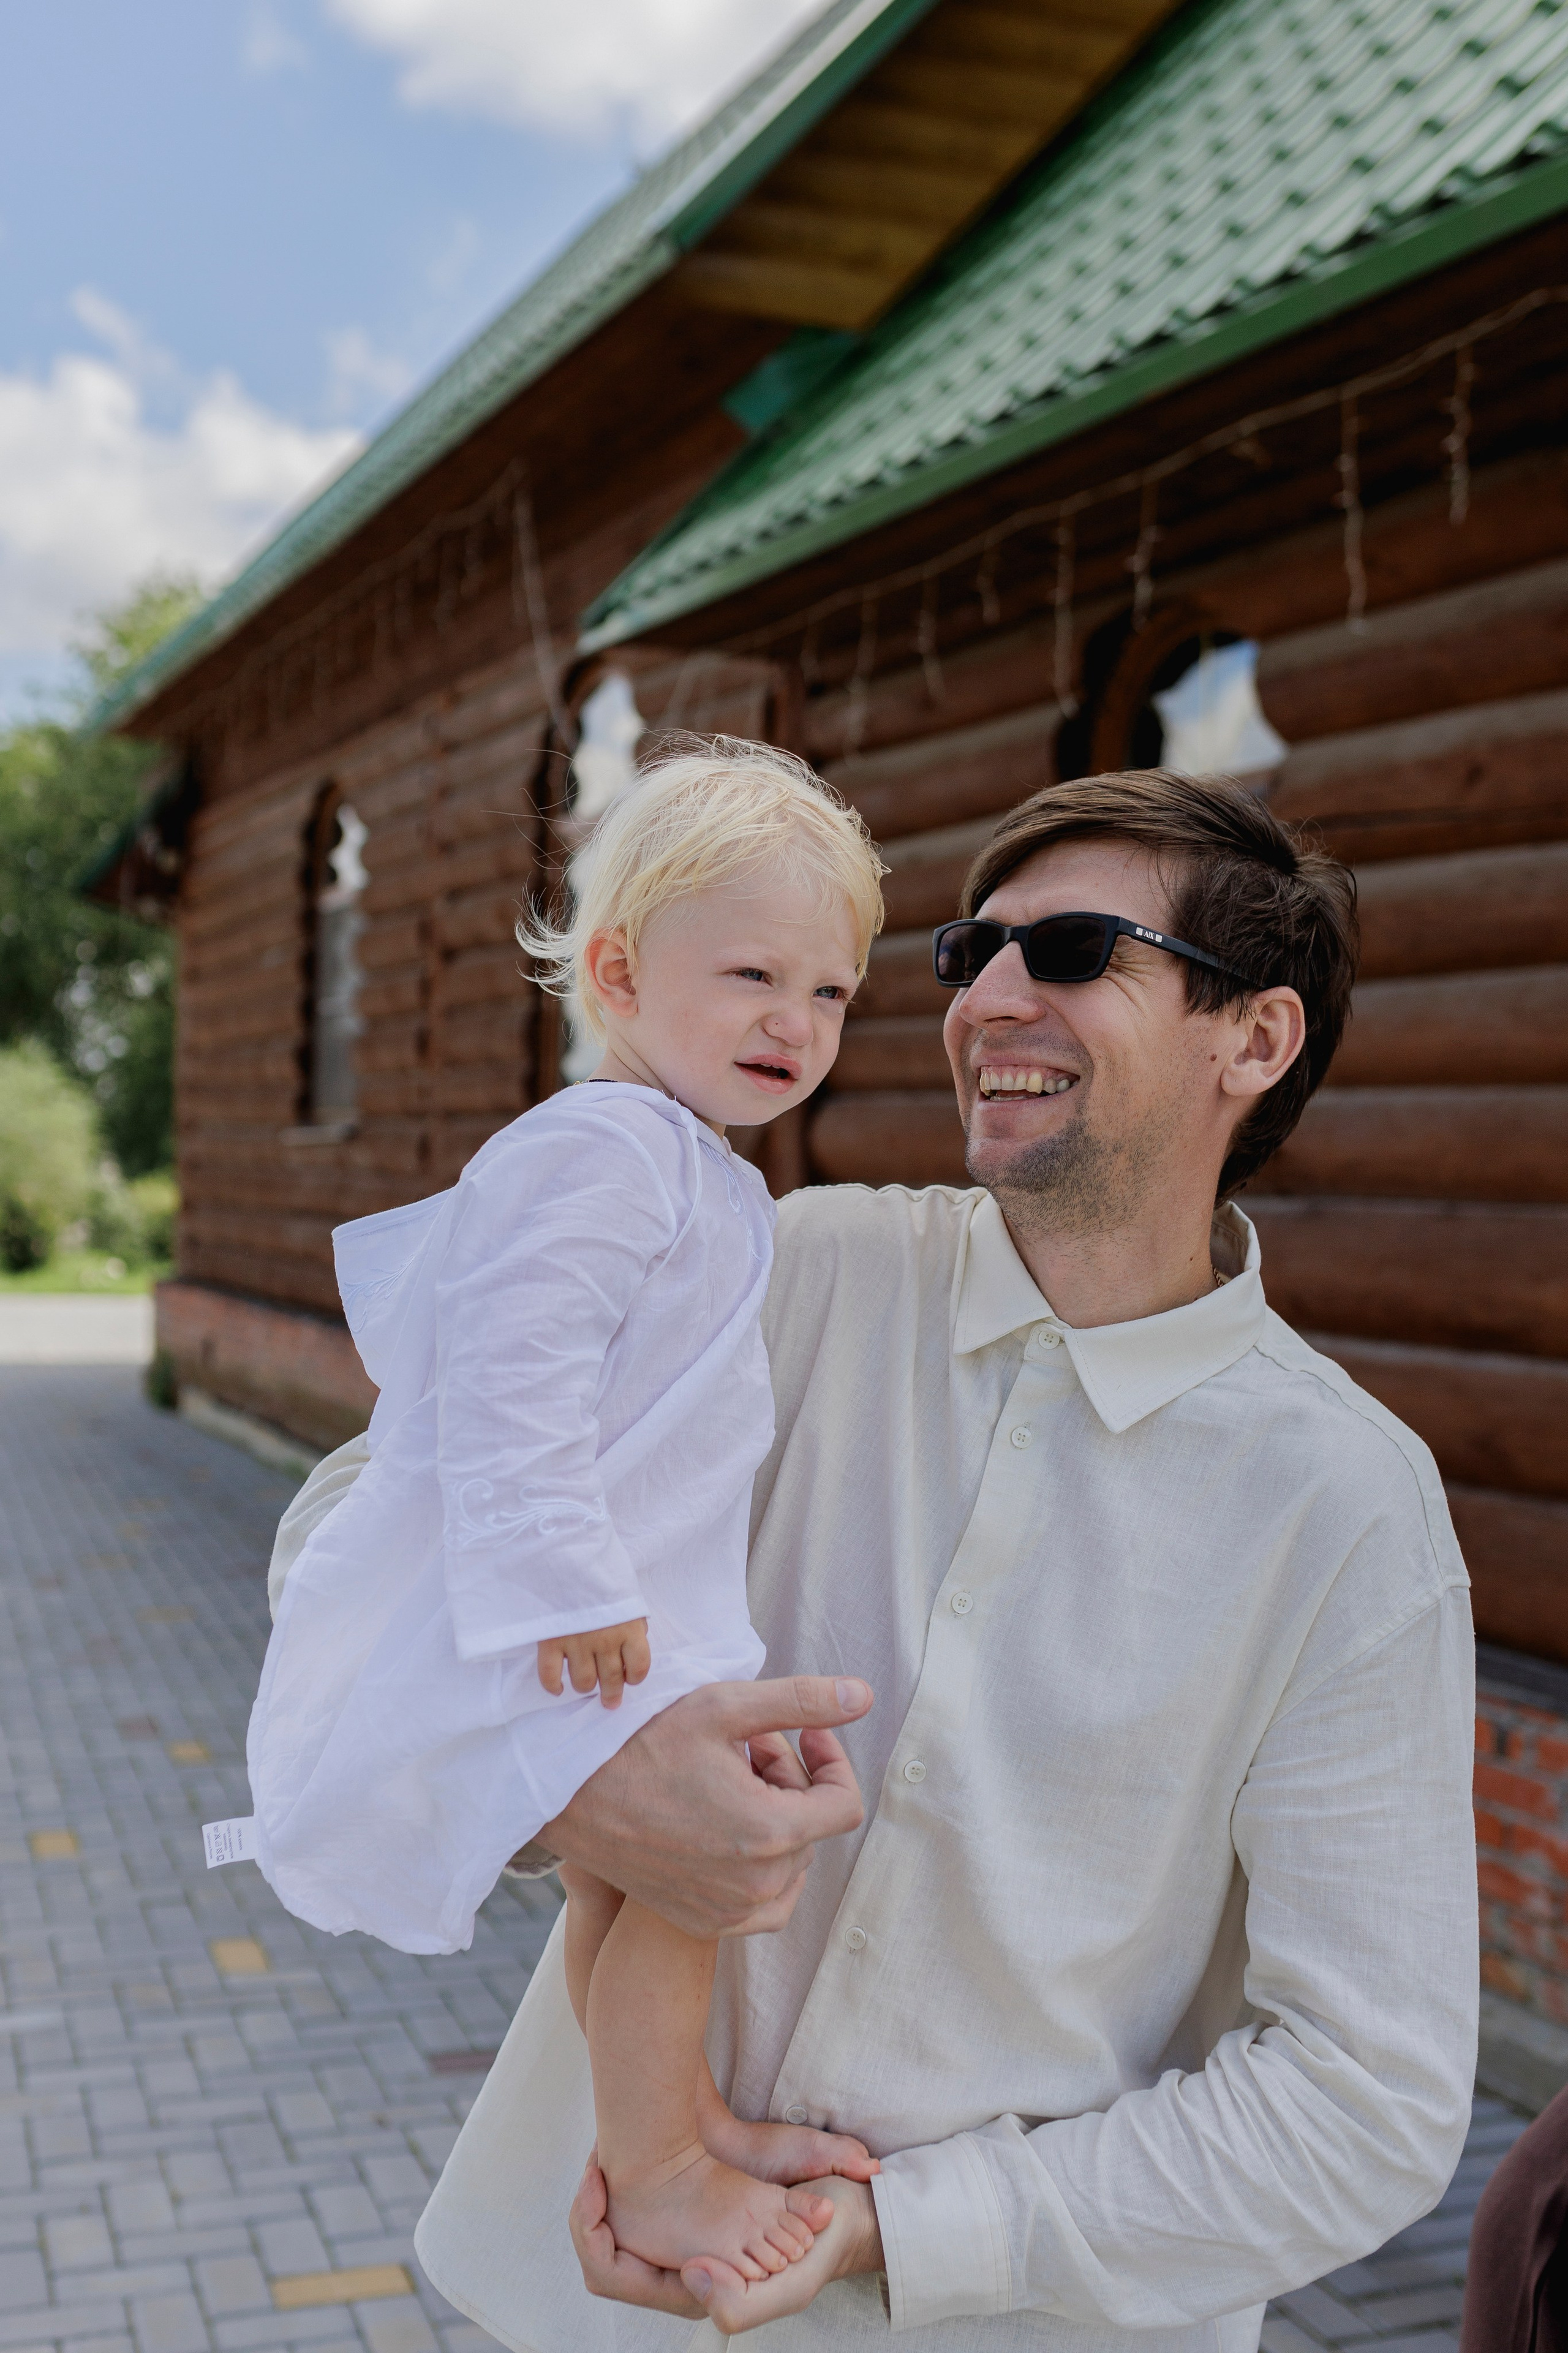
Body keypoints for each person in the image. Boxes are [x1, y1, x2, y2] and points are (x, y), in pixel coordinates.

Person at [411, 766, 1478, 2350]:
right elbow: (365, 1520)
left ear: (1251, 1039)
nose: (986, 994)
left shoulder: (1351, 1508)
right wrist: (571, 1781)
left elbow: (1364, 2097)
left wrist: (896, 2229)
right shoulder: (774, 1272)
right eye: (971, 950)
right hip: (576, 2296)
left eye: (1068, 954)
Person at [246, 742, 888, 2284]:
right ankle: (660, 2164)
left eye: (830, 992)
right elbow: (501, 1378)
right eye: (751, 974)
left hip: (628, 1598)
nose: (793, 1024)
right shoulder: (599, 1151)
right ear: (614, 969)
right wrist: (566, 1586)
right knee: (690, 1875)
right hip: (591, 1610)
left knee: (636, 1883)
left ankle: (659, 2124)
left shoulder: (688, 1162)